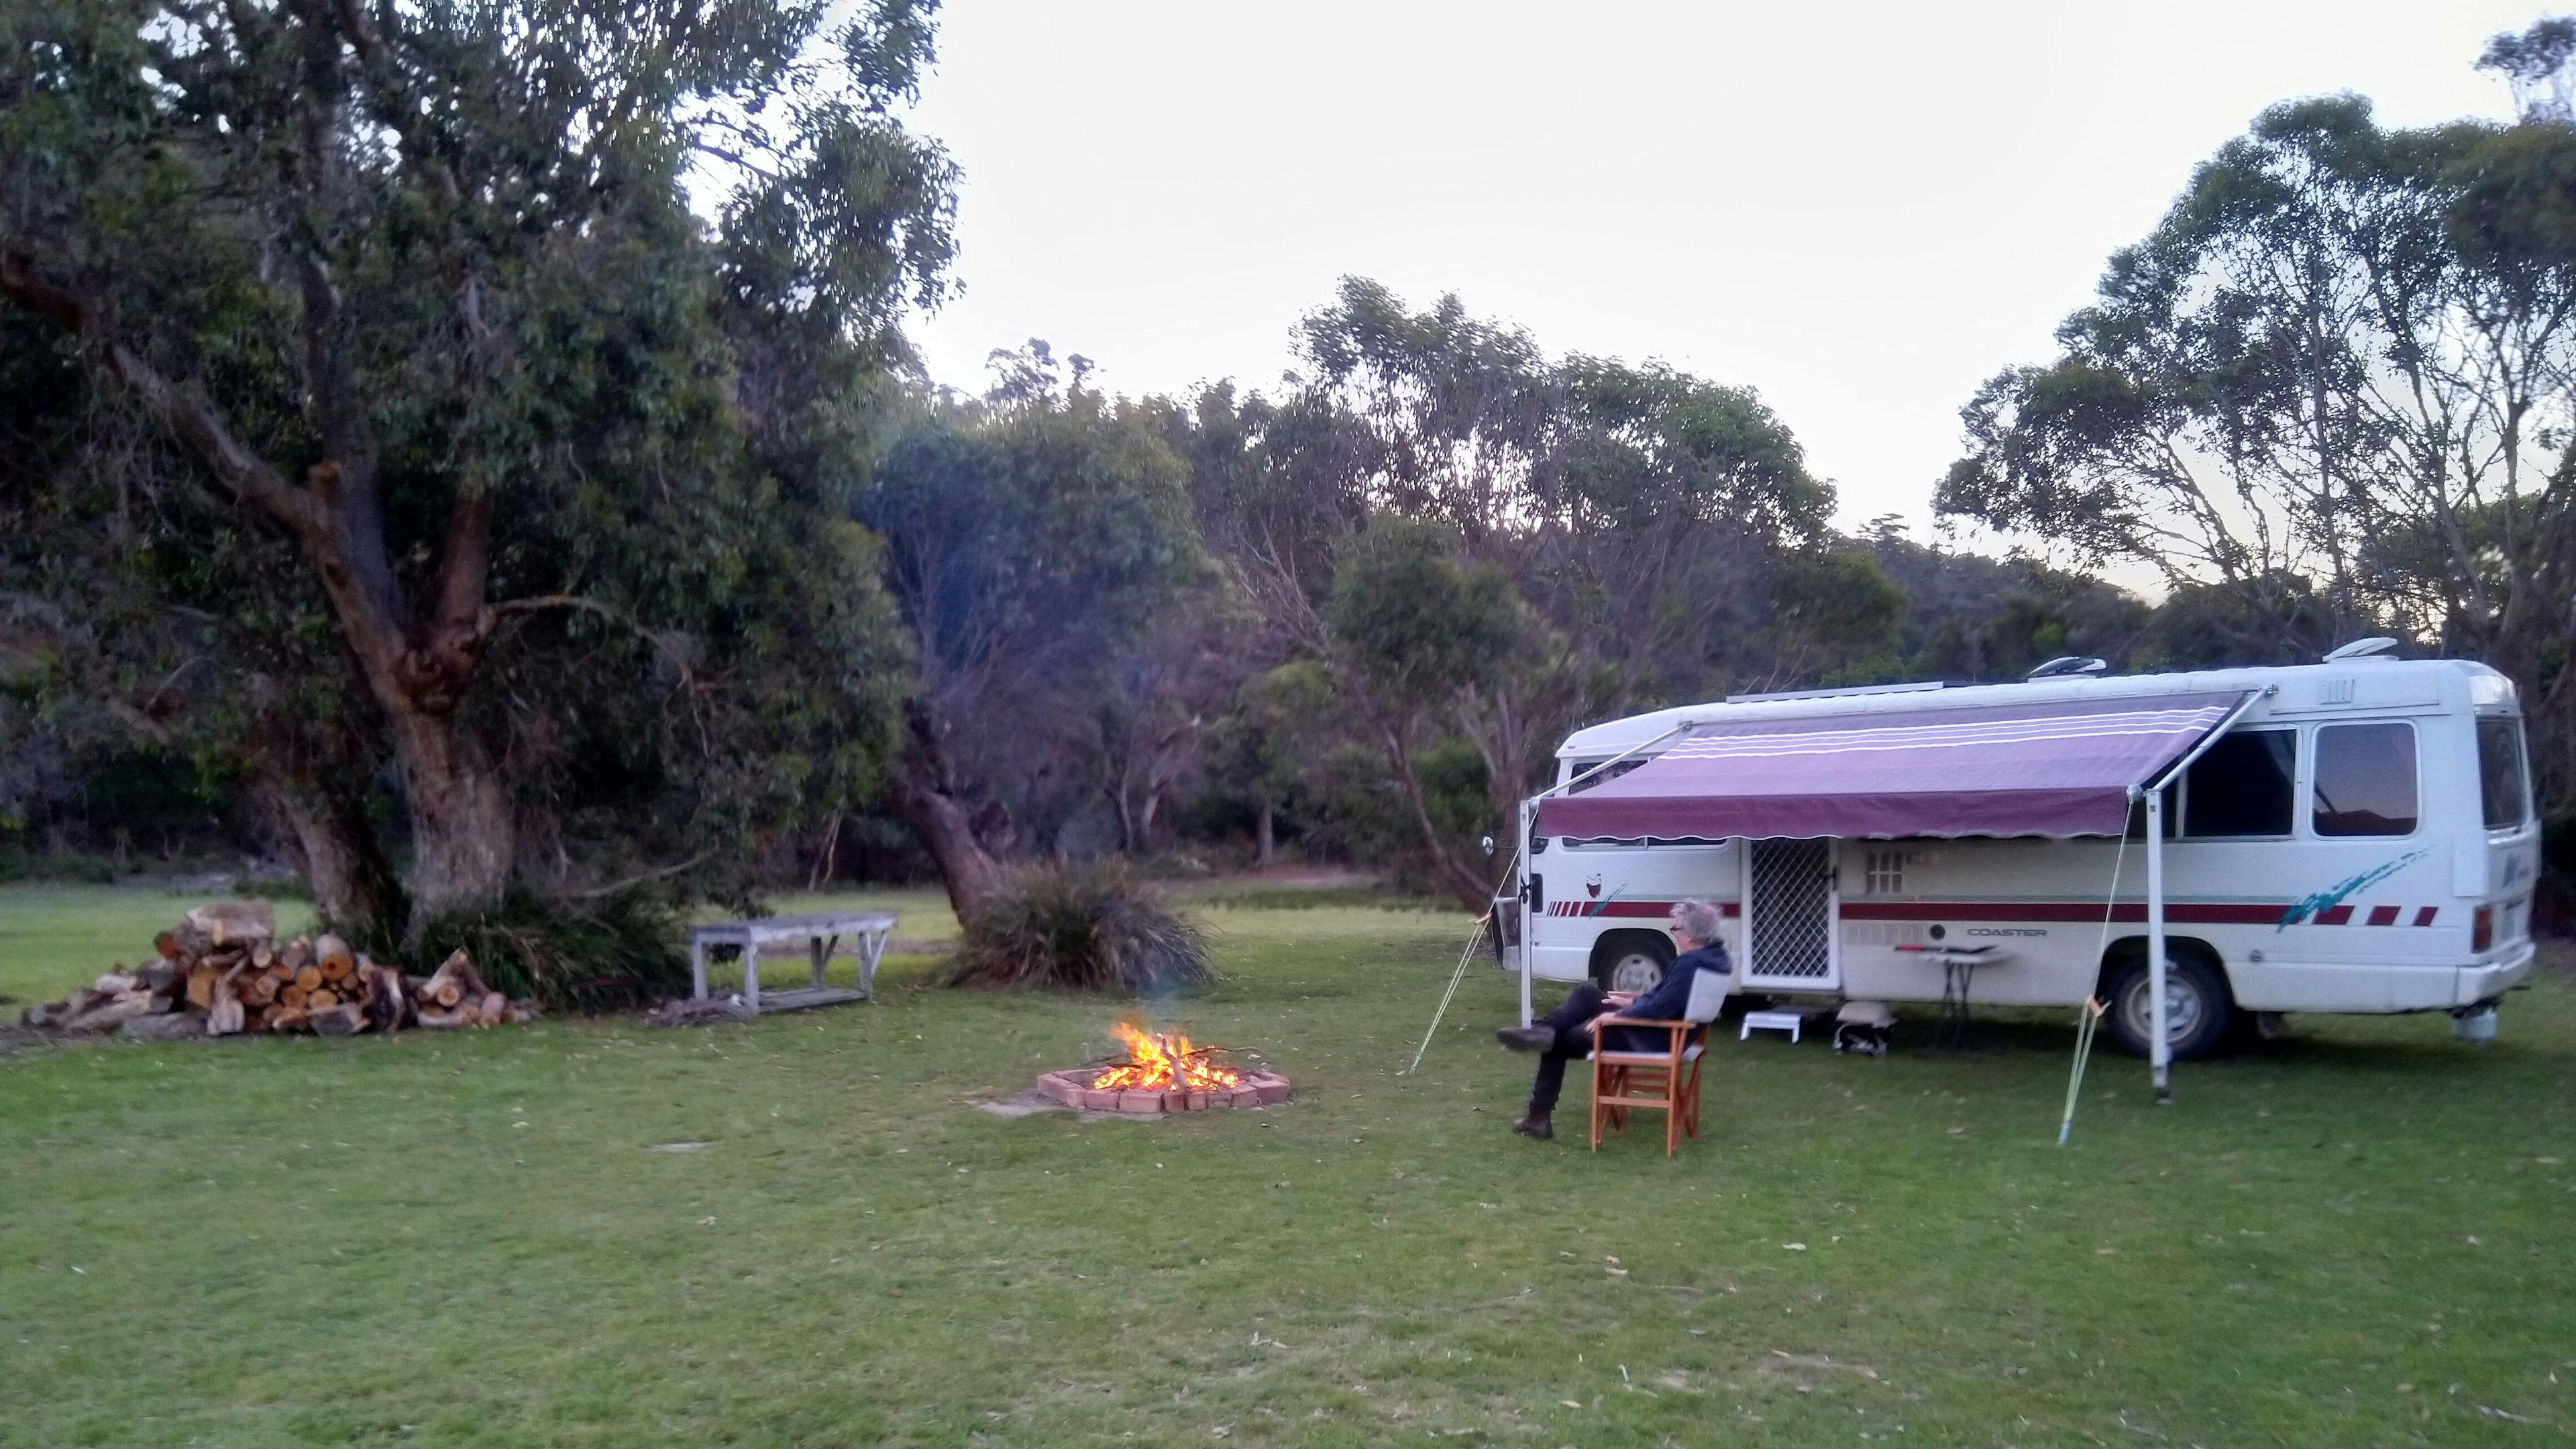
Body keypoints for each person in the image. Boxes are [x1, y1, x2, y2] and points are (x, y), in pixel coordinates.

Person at [1493, 898, 1732, 1140]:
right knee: (1587, 994)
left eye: (1676, 928)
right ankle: (1543, 1030)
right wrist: (1632, 1003)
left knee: (1560, 1042)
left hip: (1651, 1038)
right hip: (1665, 1034)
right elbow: (1667, 1002)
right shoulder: (1716, 960)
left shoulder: (1689, 963)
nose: (1674, 933)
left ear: (1691, 935)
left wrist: (1616, 1017)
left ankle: (1538, 1116)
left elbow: (1660, 1008)